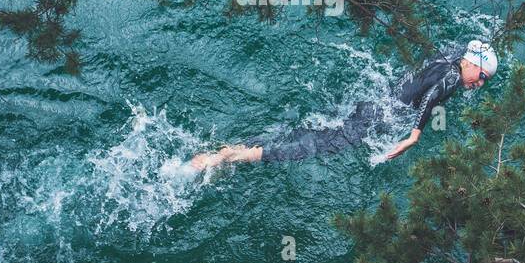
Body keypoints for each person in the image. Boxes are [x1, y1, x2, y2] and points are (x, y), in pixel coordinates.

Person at [187, 39, 499, 170]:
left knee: (314, 128)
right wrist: (415, 134)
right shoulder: (453, 79)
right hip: (378, 119)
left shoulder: (450, 54)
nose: (480, 83)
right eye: (482, 76)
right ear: (470, 64)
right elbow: (433, 97)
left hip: (372, 101)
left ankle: (234, 148)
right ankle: (241, 157)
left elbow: (473, 48)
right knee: (320, 146)